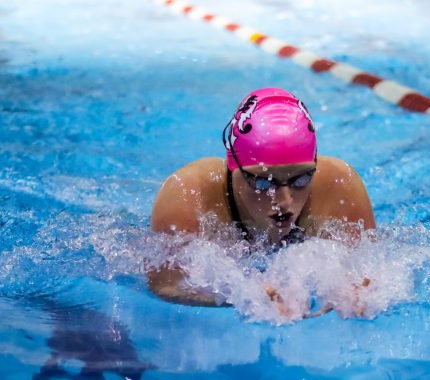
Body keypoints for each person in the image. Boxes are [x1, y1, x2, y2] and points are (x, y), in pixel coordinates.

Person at [148, 88, 376, 308]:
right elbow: (166, 285)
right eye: (263, 182)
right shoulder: (191, 194)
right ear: (233, 166)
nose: (285, 201)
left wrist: (353, 291)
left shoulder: (338, 187)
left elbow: (371, 271)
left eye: (300, 180)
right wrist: (239, 296)